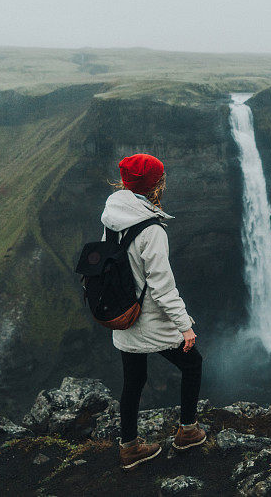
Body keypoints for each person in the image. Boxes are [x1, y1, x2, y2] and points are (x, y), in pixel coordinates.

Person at [100, 153, 206, 471]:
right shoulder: (152, 231)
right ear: (155, 185)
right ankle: (188, 430)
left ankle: (129, 447)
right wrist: (185, 326)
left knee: (134, 380)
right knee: (193, 363)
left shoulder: (111, 216)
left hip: (122, 313)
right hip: (148, 318)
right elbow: (162, 288)